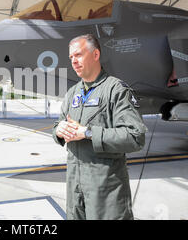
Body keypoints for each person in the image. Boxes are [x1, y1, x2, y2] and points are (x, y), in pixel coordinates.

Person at [53, 34, 147, 220]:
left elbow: (135, 136)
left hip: (106, 192)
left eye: (78, 55)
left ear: (95, 54)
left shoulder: (116, 90)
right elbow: (60, 123)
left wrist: (87, 133)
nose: (74, 61)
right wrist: (58, 130)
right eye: (71, 57)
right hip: (75, 189)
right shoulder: (73, 93)